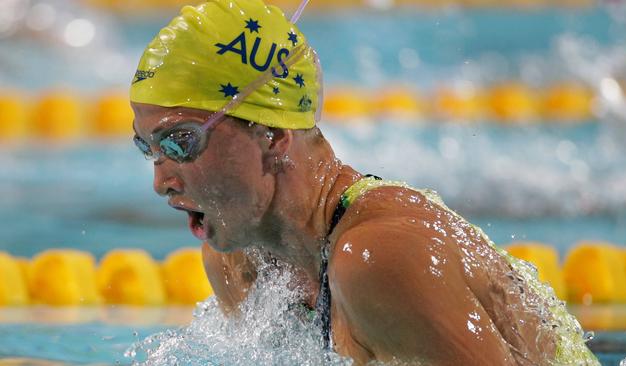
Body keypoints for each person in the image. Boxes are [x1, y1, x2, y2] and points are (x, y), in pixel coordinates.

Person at [130, 0, 598, 364]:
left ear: (271, 137)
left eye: (179, 142)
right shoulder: (236, 260)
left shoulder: (378, 259)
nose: (161, 181)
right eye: (147, 148)